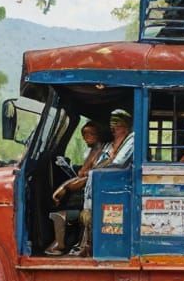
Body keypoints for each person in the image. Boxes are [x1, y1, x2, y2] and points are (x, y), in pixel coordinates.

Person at [73, 109, 136, 257]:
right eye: (112, 125)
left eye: (118, 125)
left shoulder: (132, 140)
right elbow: (94, 165)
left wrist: (94, 169)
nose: (114, 128)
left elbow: (116, 165)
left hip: (116, 189)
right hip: (98, 189)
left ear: (126, 126)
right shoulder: (108, 146)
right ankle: (85, 245)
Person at [46, 121, 107, 255]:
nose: (86, 138)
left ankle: (59, 245)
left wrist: (66, 187)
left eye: (90, 134)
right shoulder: (94, 151)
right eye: (84, 134)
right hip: (85, 193)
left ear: (98, 135)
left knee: (59, 213)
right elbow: (83, 173)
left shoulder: (101, 153)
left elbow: (89, 177)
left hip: (91, 198)